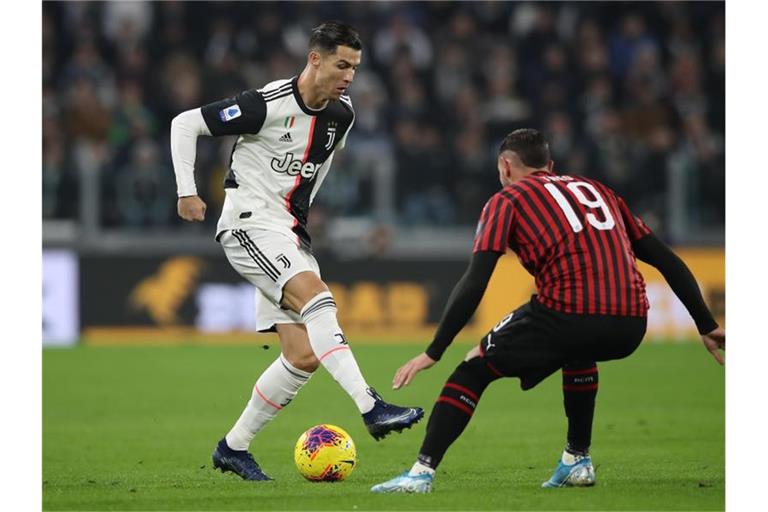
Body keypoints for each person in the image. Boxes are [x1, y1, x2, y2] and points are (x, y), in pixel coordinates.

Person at [371, 128, 725, 493]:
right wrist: (706, 323)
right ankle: (577, 459)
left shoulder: (506, 201)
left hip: (567, 311)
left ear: (505, 167)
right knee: (579, 353)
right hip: (632, 320)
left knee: (473, 368)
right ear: (550, 166)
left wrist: (434, 350)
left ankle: (420, 473)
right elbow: (666, 259)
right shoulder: (600, 191)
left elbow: (476, 281)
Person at [169, 21, 423, 482]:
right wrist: (187, 191)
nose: (349, 75)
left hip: (287, 234)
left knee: (302, 355)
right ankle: (371, 406)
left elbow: (316, 169)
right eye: (342, 64)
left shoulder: (341, 116)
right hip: (248, 224)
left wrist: (303, 222)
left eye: (355, 67)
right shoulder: (265, 104)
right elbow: (184, 123)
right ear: (315, 59)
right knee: (319, 299)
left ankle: (233, 447)